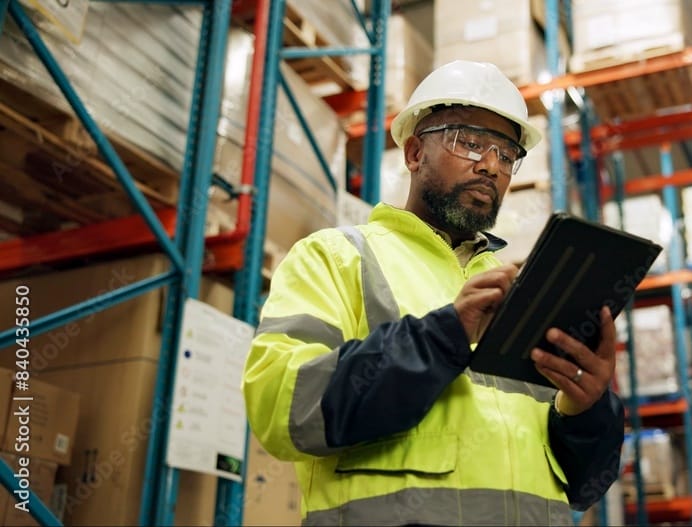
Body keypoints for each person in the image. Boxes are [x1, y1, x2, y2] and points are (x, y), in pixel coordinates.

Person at [243, 60, 625, 526]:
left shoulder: (523, 292)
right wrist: (444, 334)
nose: (490, 165)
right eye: (469, 142)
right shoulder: (338, 257)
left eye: (506, 154)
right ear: (414, 152)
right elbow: (283, 410)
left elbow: (583, 488)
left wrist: (587, 410)